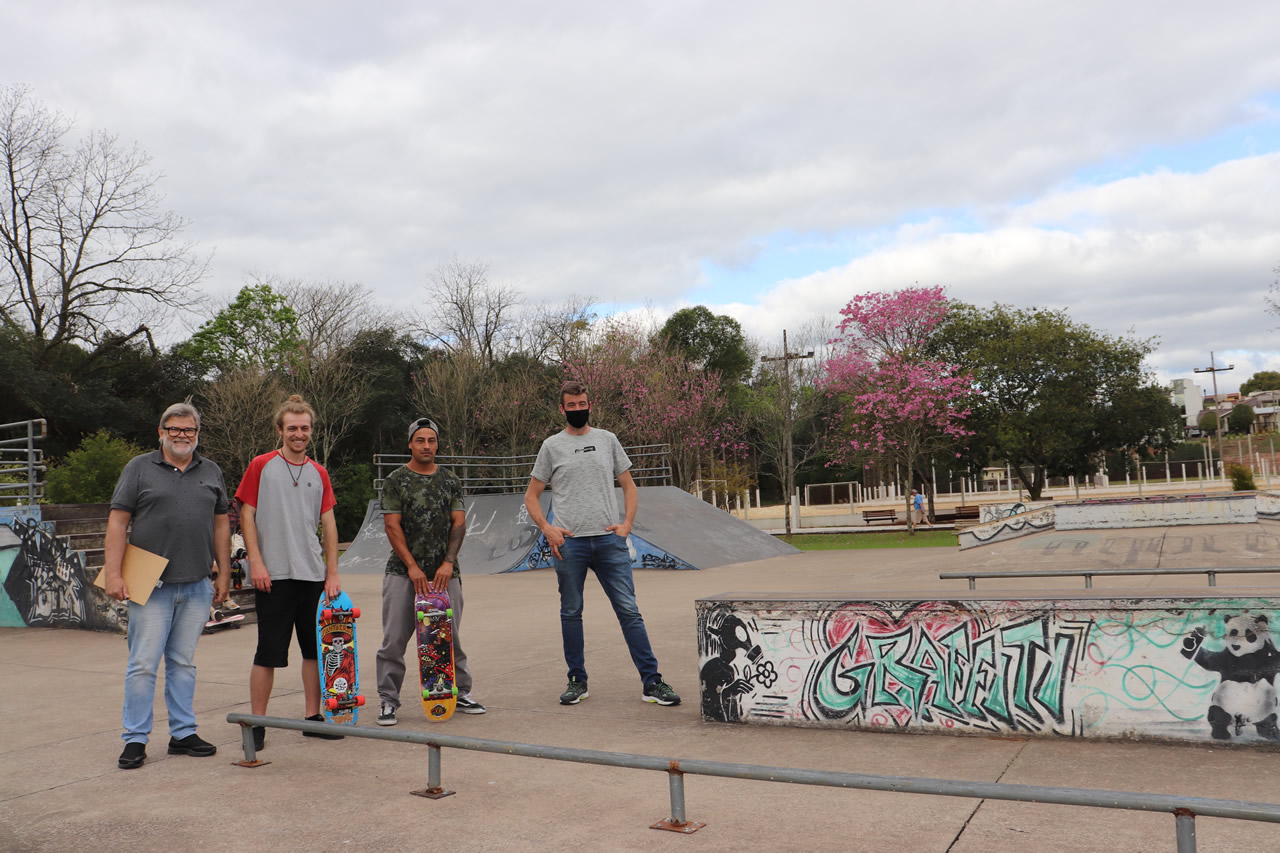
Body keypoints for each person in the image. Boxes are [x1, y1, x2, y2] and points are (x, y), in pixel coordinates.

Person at [523, 380, 680, 707]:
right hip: (570, 545)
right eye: (572, 405)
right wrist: (547, 529)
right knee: (571, 612)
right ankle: (577, 680)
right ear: (562, 408)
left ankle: (652, 682)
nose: (578, 410)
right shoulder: (551, 446)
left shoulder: (607, 440)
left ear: (589, 405)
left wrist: (627, 525)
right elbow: (532, 496)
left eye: (583, 404)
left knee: (629, 611)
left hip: (610, 541)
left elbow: (629, 486)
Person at [102, 402, 231, 769]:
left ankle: (183, 733)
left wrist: (224, 572)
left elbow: (222, 524)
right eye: (174, 429)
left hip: (196, 584)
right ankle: (136, 739)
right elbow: (117, 522)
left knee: (183, 663)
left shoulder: (211, 471)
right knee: (143, 664)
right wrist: (113, 574)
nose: (181, 435)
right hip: (150, 584)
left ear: (197, 434)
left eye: (188, 430)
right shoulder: (139, 468)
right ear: (161, 432)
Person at [236, 395, 343, 751]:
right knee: (268, 651)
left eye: (305, 428)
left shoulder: (319, 473)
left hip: (312, 575)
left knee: (314, 651)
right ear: (280, 430)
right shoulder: (261, 465)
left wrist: (332, 574)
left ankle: (313, 718)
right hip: (274, 574)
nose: (299, 434)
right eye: (292, 428)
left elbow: (328, 524)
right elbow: (246, 514)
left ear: (311, 431)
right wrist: (257, 562)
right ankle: (257, 722)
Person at [375, 417, 484, 725]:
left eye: (431, 440)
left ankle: (458, 691)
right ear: (410, 443)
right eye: (420, 440)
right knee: (394, 639)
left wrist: (448, 563)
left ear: (437, 444)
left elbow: (459, 523)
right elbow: (391, 526)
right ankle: (388, 700)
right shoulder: (396, 479)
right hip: (401, 572)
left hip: (445, 573)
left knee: (449, 636)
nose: (426, 446)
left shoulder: (450, 480)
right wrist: (412, 567)